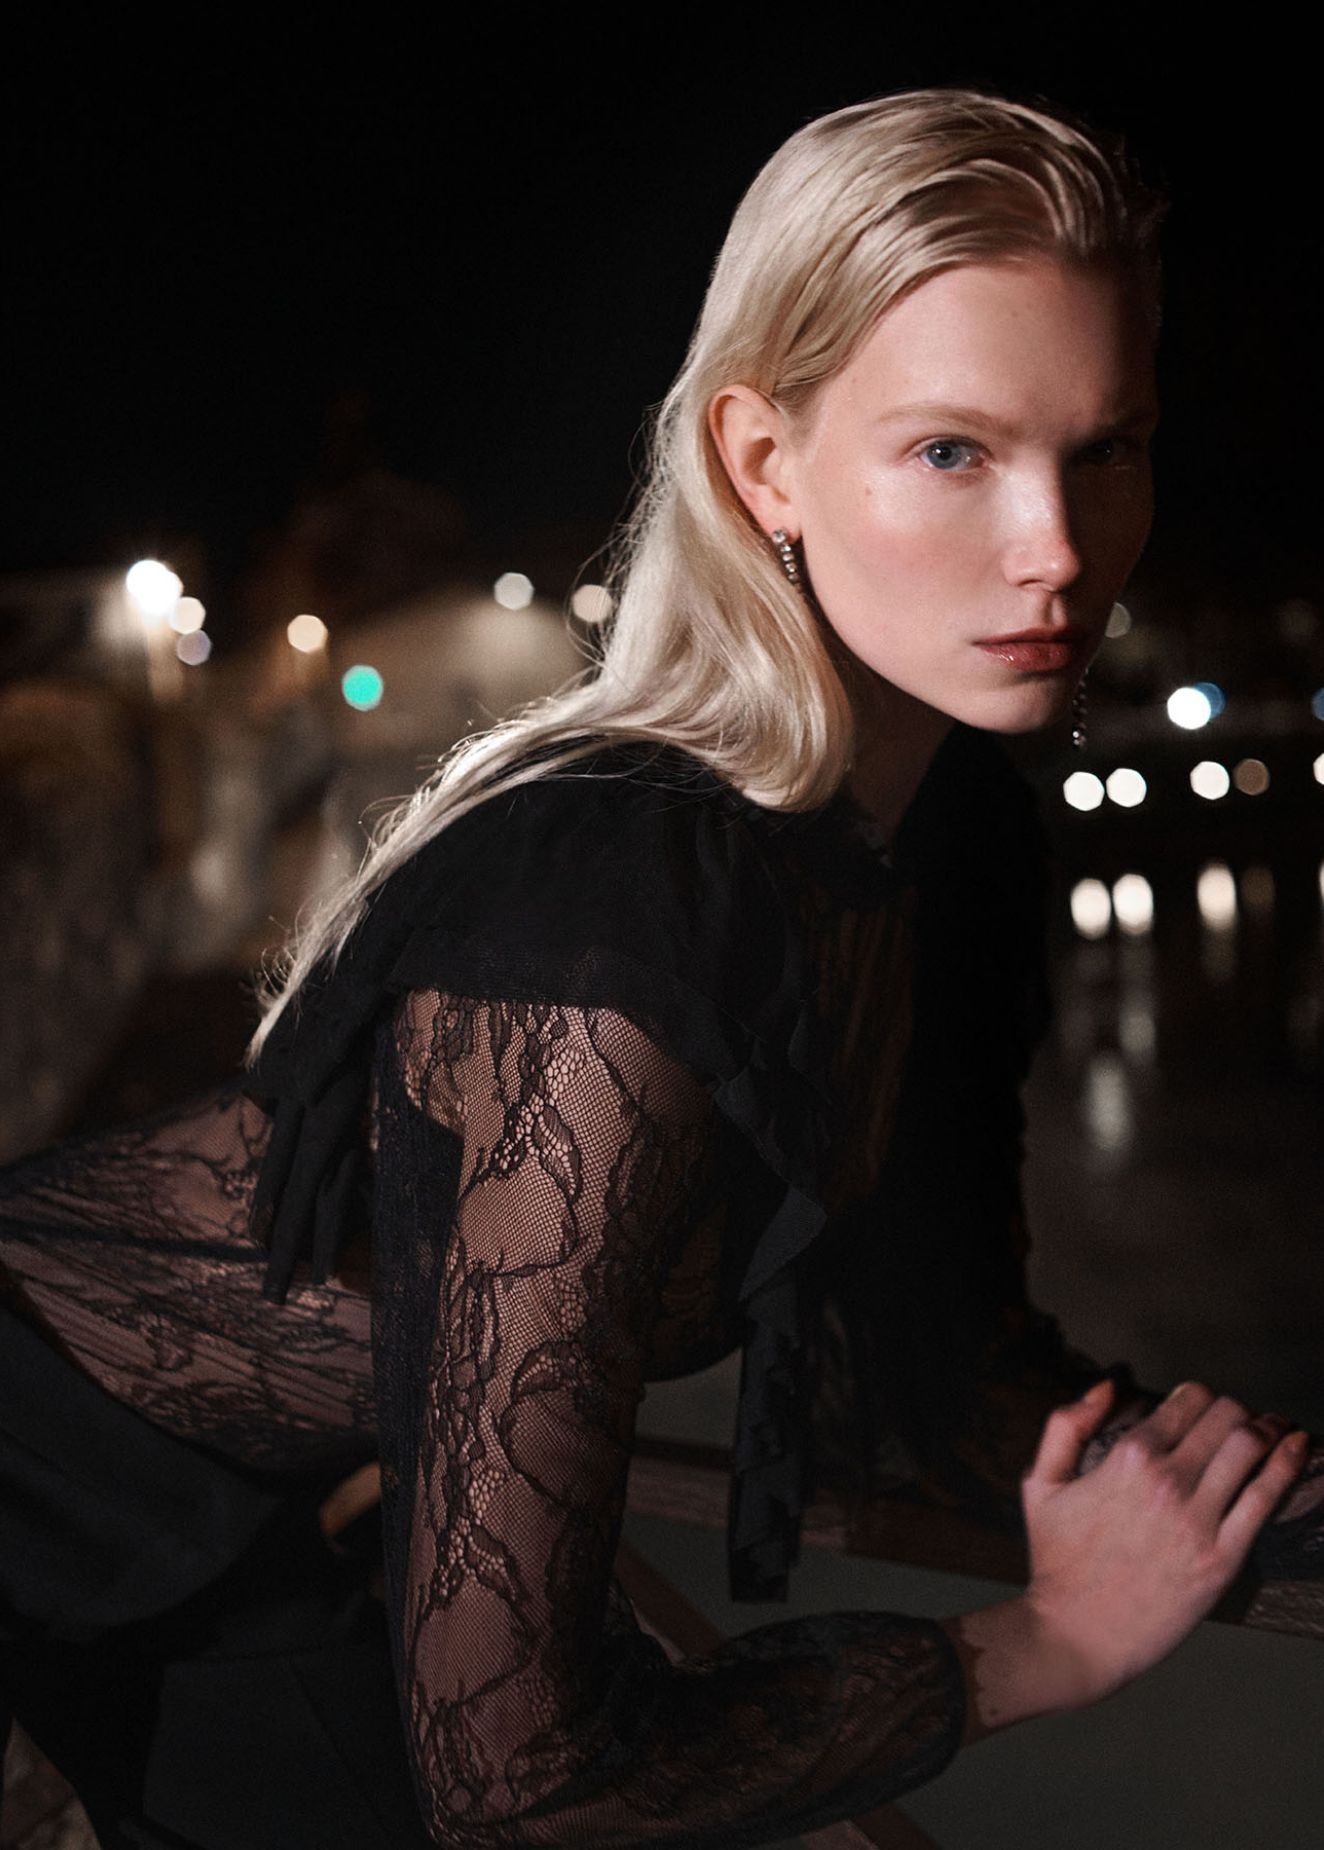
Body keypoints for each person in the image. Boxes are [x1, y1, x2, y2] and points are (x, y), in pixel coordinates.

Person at [1, 85, 1321, 1849]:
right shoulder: (608, 916)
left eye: (1111, 447)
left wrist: (1217, 1483)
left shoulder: (945, 841)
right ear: (763, 463)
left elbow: (934, 1354)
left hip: (262, 1507)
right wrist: (1046, 1644)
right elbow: (523, 1782)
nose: (1060, 550)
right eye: (954, 452)